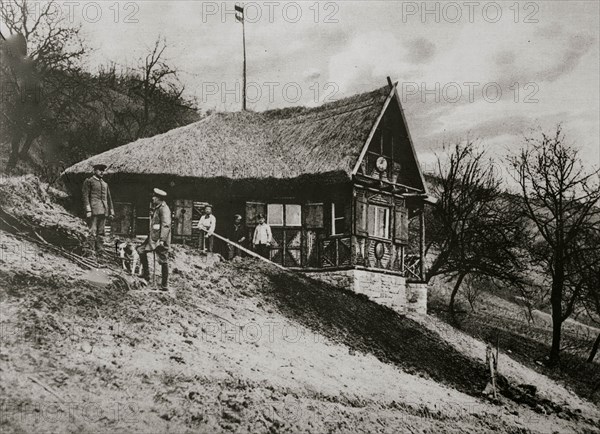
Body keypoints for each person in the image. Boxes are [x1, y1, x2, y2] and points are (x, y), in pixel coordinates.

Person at [137, 188, 171, 291]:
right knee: (140, 250)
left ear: (159, 198)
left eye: (154, 197)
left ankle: (164, 285)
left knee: (163, 259)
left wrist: (162, 240)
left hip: (160, 239)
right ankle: (146, 274)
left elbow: (166, 225)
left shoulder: (164, 209)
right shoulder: (157, 207)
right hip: (153, 238)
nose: (152, 198)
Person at [81, 163, 114, 255]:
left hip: (104, 211)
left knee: (101, 231)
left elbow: (109, 199)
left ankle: (100, 250)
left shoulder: (105, 184)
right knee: (93, 231)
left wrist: (111, 211)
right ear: (94, 170)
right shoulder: (89, 181)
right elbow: (85, 196)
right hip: (93, 210)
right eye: (100, 170)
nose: (102, 172)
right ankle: (91, 251)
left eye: (103, 170)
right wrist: (88, 210)